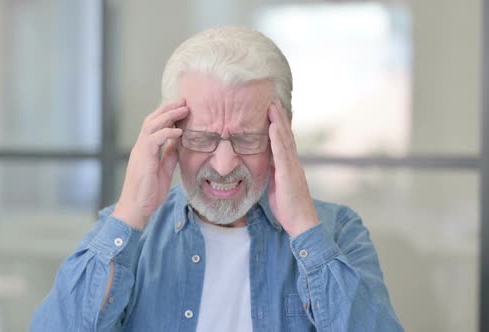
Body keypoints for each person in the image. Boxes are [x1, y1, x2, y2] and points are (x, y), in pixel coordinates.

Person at [30, 26, 403, 332]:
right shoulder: (127, 235)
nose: (224, 165)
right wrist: (130, 213)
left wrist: (304, 227)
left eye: (247, 138)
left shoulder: (338, 232)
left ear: (281, 135)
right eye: (202, 137)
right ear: (170, 132)